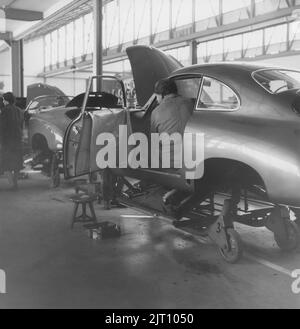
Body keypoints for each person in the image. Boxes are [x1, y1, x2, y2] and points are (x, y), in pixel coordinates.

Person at [151, 78, 194, 168]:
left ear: (162, 95)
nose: (156, 100)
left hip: (170, 164)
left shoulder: (156, 112)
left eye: (156, 96)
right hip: (194, 158)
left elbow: (153, 143)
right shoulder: (191, 103)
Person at [1, 92, 23, 190]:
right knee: (17, 163)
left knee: (6, 164)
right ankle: (15, 183)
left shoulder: (5, 110)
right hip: (17, 140)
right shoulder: (18, 110)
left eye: (3, 100)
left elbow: (2, 127)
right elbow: (21, 125)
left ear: (6, 100)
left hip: (7, 141)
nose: (3, 101)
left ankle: (11, 185)